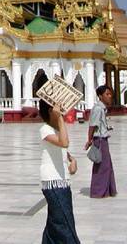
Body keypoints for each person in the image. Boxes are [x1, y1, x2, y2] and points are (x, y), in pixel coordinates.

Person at [38, 99, 80, 243]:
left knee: (55, 222)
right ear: (51, 111)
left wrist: (72, 162)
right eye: (59, 108)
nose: (62, 110)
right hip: (52, 181)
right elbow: (64, 142)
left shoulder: (57, 130)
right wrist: (60, 118)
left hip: (62, 181)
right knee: (64, 222)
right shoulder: (45, 129)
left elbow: (64, 152)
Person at [85, 85, 117, 198]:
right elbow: (92, 126)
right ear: (100, 96)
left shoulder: (102, 108)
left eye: (110, 94)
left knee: (106, 165)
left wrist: (107, 128)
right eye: (107, 94)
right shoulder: (98, 108)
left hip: (103, 138)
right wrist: (89, 140)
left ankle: (107, 190)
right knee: (101, 166)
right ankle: (98, 191)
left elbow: (99, 124)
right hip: (99, 140)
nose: (109, 97)